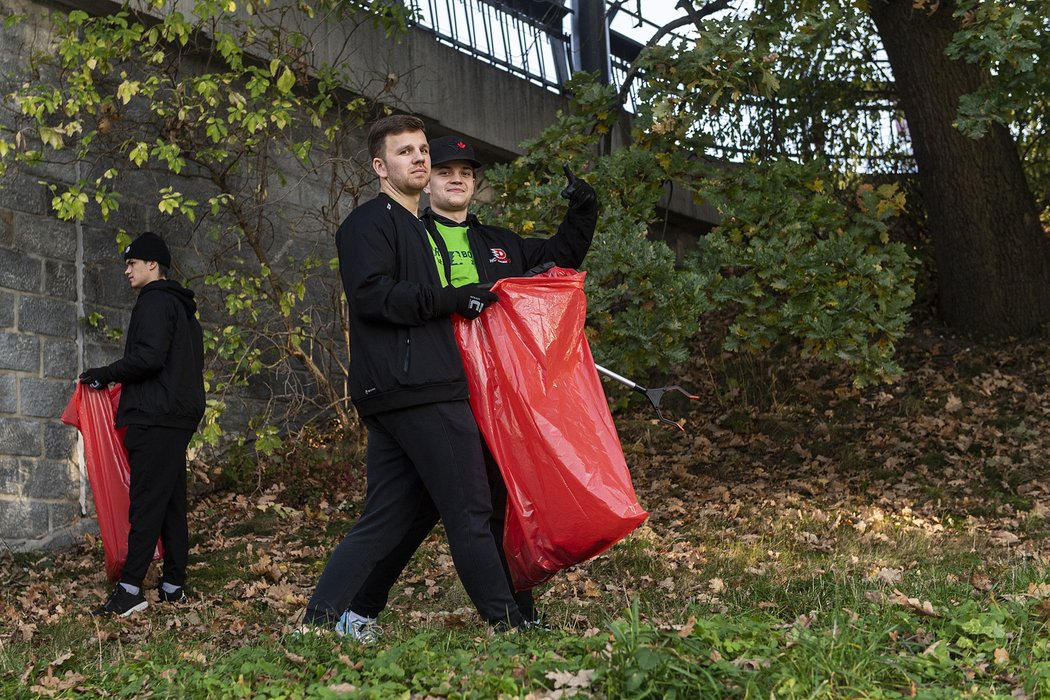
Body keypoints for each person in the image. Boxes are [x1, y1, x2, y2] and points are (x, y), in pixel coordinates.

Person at [333, 134, 598, 639]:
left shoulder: (499, 243)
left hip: (494, 392)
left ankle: (515, 610)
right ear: (424, 182)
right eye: (445, 170)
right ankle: (366, 609)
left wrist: (584, 210)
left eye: (467, 173)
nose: (457, 178)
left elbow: (558, 259)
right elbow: (383, 293)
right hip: (429, 383)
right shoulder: (410, 236)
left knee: (488, 499)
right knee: (431, 507)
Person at [302, 115, 535, 633]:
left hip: (407, 387)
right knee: (472, 511)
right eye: (406, 151)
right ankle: (508, 625)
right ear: (381, 167)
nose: (421, 158)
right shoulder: (368, 223)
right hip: (416, 387)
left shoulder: (418, 229)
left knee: (388, 515)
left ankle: (323, 622)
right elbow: (371, 295)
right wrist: (452, 297)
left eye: (422, 150)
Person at [80, 231, 206, 617]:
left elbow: (148, 359)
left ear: (153, 264)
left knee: (146, 502)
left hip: (155, 415)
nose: (126, 270)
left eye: (132, 263)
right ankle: (173, 585)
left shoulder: (154, 301)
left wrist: (105, 372)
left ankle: (130, 589)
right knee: (169, 501)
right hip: (179, 414)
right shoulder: (183, 309)